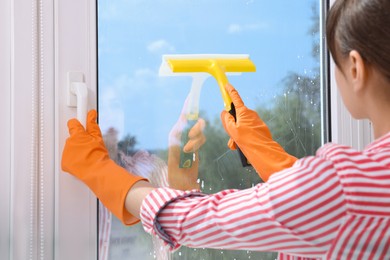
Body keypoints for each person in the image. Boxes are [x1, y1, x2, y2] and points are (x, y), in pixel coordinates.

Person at [62, 0, 390, 259]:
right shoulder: (356, 184)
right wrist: (268, 155)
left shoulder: (340, 185)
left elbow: (197, 221)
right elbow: (327, 219)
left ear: (355, 68)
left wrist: (100, 170)